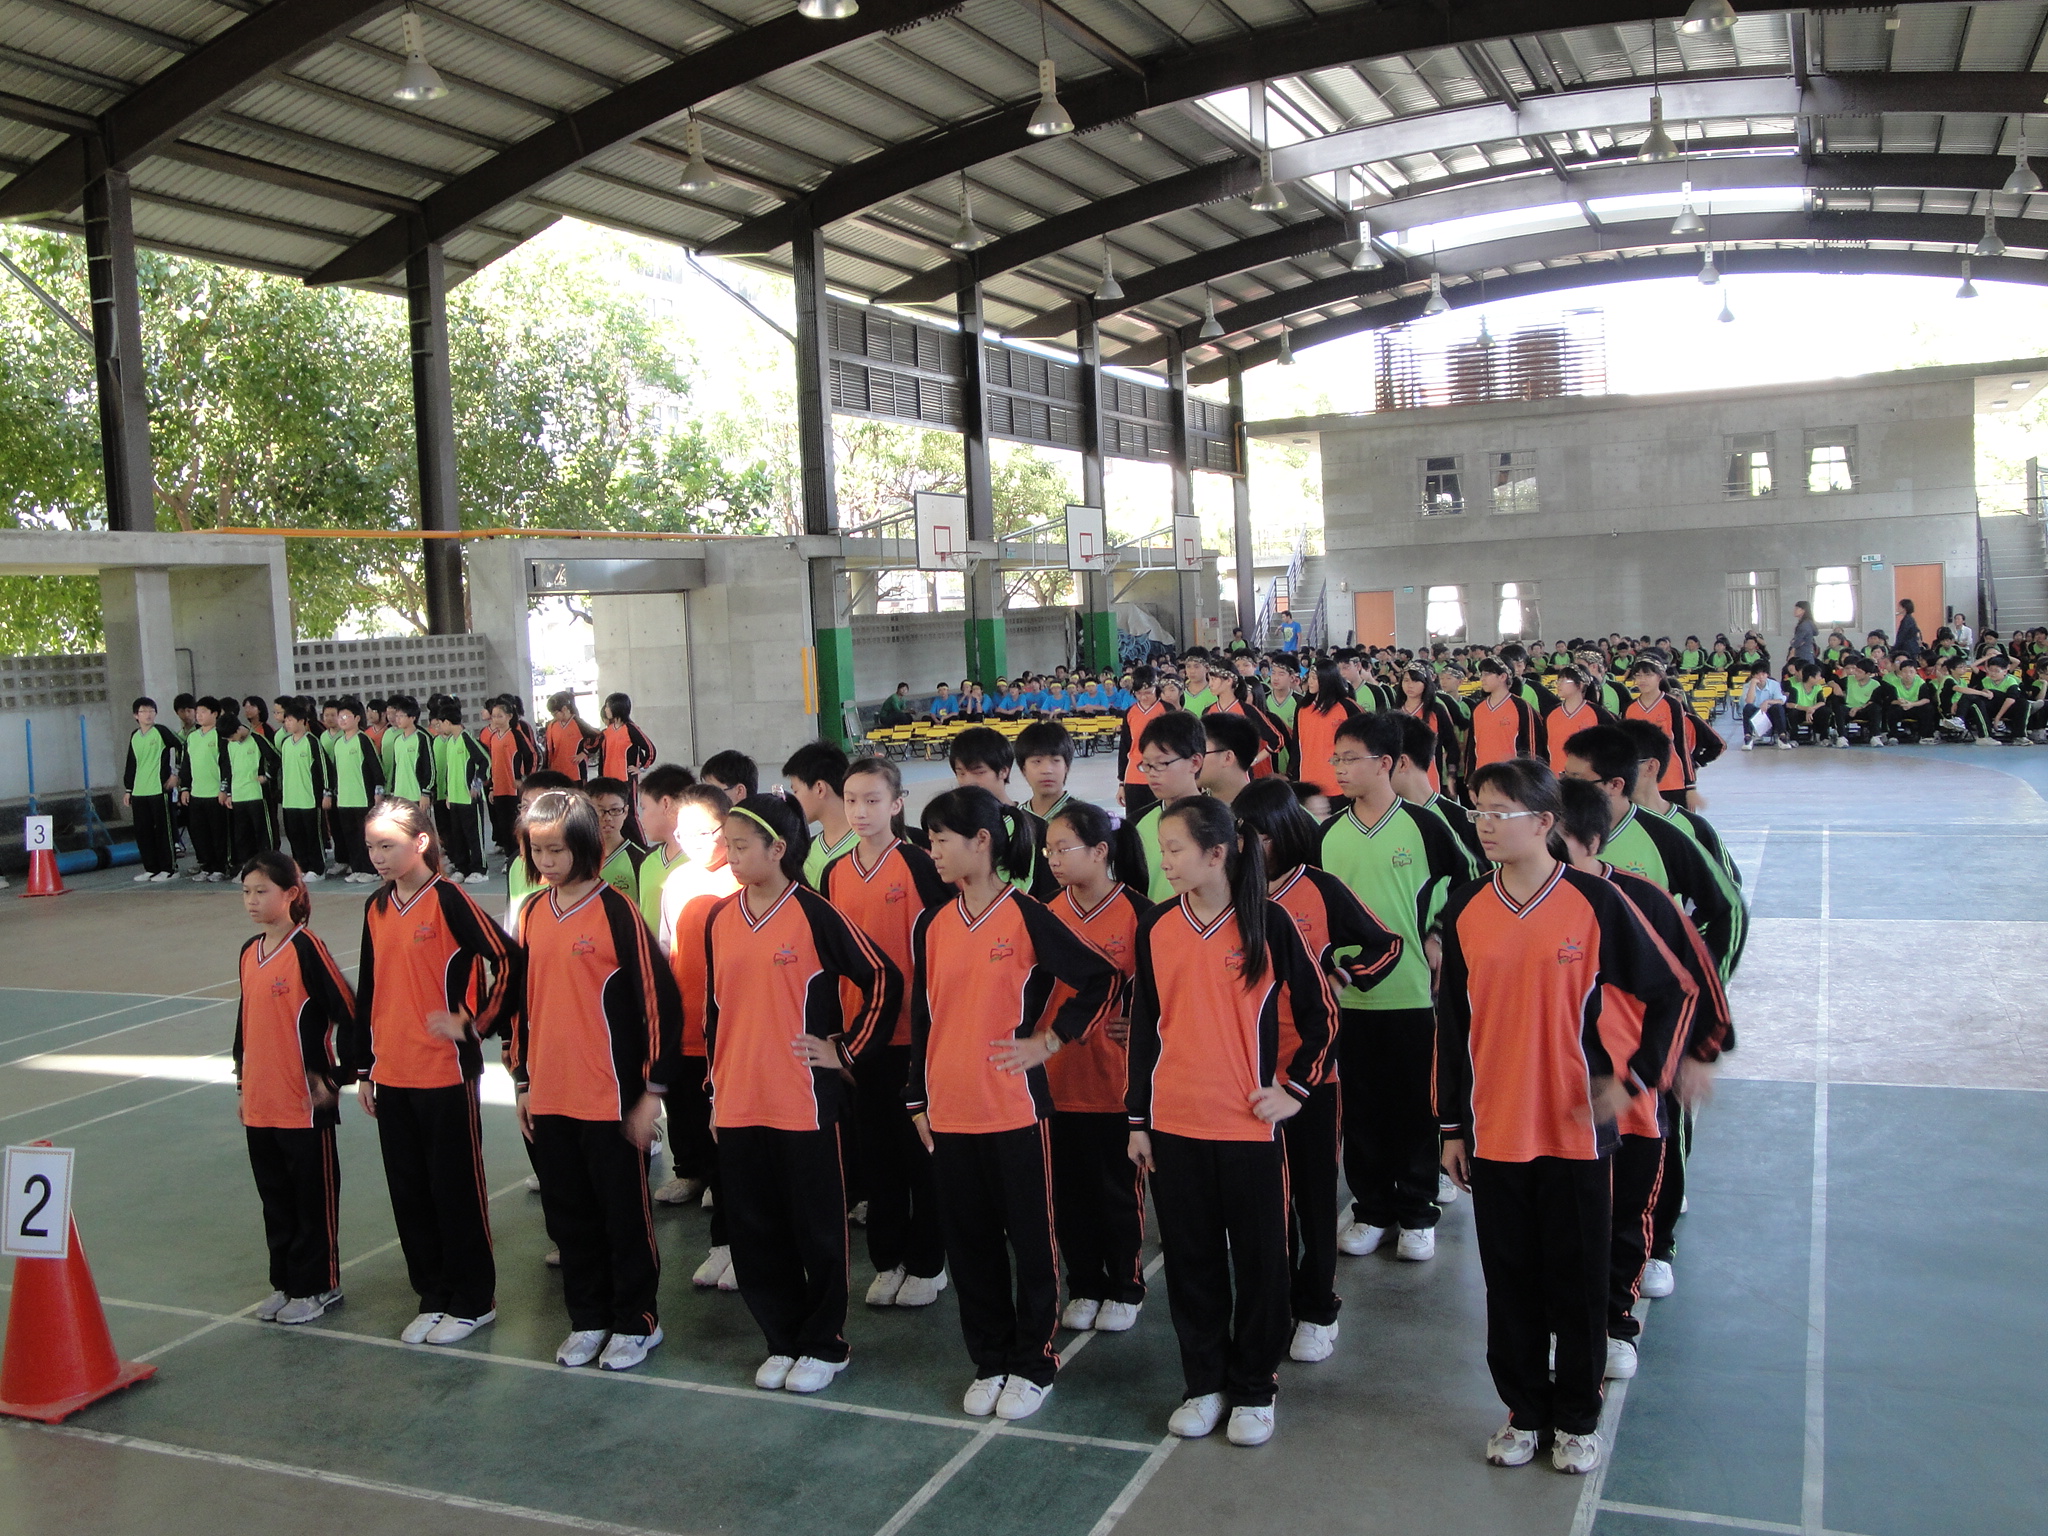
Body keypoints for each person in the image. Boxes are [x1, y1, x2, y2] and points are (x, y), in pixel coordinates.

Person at [1436, 759, 1692, 1475]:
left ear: (1545, 822)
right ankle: (1524, 1412)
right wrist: (1451, 1127)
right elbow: (1452, 1025)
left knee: (1578, 1283)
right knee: (1509, 1281)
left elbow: (1672, 991)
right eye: (1478, 811)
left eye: (1500, 812)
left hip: (1577, 1133)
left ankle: (1578, 1418)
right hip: (1495, 1130)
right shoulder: (1465, 906)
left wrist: (1635, 1078)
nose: (1484, 825)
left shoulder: (1596, 902)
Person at [1125, 795, 1334, 1448]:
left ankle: (1254, 1387)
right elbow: (1145, 1030)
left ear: (1217, 853)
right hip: (1174, 1126)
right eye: (1162, 850)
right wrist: (1138, 1119)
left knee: (1262, 1262)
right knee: (1191, 1263)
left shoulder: (1267, 922)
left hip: (1248, 1130)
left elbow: (1323, 1017)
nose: (1164, 862)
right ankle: (1204, 1383)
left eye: (1175, 849)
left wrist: (1294, 1090)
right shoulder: (1157, 926)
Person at [906, 787, 1118, 1423]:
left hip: (1015, 1111)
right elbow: (924, 1018)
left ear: (982, 841)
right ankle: (990, 1359)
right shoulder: (932, 923)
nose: (933, 851)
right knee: (969, 1245)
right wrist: (917, 1098)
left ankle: (1033, 1363)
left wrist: (1049, 1041)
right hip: (948, 1112)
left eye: (942, 839)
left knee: (1031, 1242)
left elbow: (1100, 977)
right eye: (929, 839)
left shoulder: (1026, 914)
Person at [704, 794, 897, 1395]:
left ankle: (823, 1343)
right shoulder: (720, 918)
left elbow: (882, 977)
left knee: (817, 1229)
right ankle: (782, 1338)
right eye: (728, 845)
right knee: (755, 1228)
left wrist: (846, 1051)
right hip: (740, 1099)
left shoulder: (814, 914)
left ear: (778, 849)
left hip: (804, 1102)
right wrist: (715, 1092)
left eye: (741, 846)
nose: (731, 857)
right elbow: (716, 1013)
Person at [1554, 780, 1730, 1381]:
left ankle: (1614, 1324)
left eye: (1558, 842)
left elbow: (1698, 982)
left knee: (1624, 1216)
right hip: (1552, 1096)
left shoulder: (1642, 901)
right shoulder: (1519, 902)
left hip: (1628, 1096)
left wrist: (1700, 1051)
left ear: (1591, 841)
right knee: (1563, 1223)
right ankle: (1568, 1324)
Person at [505, 790, 680, 1372]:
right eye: (538, 851)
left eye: (557, 849)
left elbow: (659, 1005)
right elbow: (520, 1004)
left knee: (623, 1217)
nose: (547, 861)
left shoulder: (616, 911)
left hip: (610, 1098)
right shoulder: (530, 913)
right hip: (551, 1096)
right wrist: (523, 1082)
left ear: (585, 845)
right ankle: (588, 1318)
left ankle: (637, 1321)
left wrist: (651, 1093)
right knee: (569, 1216)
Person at [1232, 779, 1401, 1367]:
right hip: (1244, 1078)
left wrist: (1346, 973)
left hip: (1310, 1075)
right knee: (1262, 1205)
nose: (1247, 847)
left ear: (1282, 834)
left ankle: (1318, 1308)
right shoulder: (1228, 895)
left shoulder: (1321, 890)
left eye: (1257, 836)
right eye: (1240, 836)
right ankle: (1274, 1305)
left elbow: (1386, 944)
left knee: (1313, 1197)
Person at [342, 795, 516, 1347]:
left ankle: (473, 1300)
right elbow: (369, 991)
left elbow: (510, 959)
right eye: (371, 846)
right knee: (410, 1193)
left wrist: (477, 1023)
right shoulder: (375, 907)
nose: (377, 856)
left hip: (444, 1074)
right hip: (392, 1074)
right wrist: (364, 1068)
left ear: (420, 842)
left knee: (454, 1190)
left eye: (387, 845)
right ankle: (434, 1294)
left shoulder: (449, 899)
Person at [1319, 712, 1468, 1259]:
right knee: (1360, 1108)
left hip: (1412, 994)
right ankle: (1372, 1209)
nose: (1339, 769)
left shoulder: (1426, 827)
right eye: (1335, 758)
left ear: (1385, 763)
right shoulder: (1326, 834)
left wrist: (1437, 934)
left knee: (1414, 1107)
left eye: (1349, 758)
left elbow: (1465, 887)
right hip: (1347, 997)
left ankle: (1417, 1212)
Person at [822, 758, 952, 1309]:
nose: (860, 811)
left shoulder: (920, 864)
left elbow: (947, 944)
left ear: (897, 805)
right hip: (861, 1037)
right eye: (851, 800)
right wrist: (839, 1035)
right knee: (877, 1155)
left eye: (873, 800)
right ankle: (889, 1258)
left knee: (922, 1153)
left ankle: (928, 1262)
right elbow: (830, 961)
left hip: (916, 1036)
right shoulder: (834, 873)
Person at [1041, 799, 1150, 1336]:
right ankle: (1084, 1283)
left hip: (1115, 1083)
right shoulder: (1043, 914)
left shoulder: (1141, 914)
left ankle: (1126, 1285)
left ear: (1101, 851)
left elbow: (1165, 993)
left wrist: (1145, 1024)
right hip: (1056, 1079)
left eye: (1065, 849)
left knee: (1117, 1192)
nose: (1054, 859)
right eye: (1049, 850)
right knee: (1068, 1193)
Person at [235, 849, 356, 1326]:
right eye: (246, 892)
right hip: (260, 1101)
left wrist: (338, 1077)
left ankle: (319, 1285)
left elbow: (350, 1011)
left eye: (261, 891)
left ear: (290, 894)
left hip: (303, 1105)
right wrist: (242, 1083)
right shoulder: (249, 951)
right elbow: (244, 1023)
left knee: (312, 1201)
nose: (252, 900)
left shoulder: (307, 948)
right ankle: (286, 1282)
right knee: (276, 1199)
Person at [651, 785, 741, 1262]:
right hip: (686, 1023)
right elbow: (667, 950)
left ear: (728, 827)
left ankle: (728, 1201)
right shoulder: (678, 881)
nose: (695, 843)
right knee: (687, 1107)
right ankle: (695, 1174)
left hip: (730, 1031)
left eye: (707, 833)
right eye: (685, 834)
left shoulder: (742, 879)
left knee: (724, 1121)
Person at [949, 726, 1056, 899]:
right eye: (961, 773)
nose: (967, 782)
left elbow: (1048, 892)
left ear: (1004, 771)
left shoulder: (1037, 828)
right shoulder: (953, 827)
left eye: (979, 772)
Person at [1120, 711, 1206, 901]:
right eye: (1147, 765)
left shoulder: (1222, 821)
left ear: (1195, 762)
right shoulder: (1136, 825)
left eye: (1161, 764)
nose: (1152, 774)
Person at [428, 701, 492, 883]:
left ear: (448, 722)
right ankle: (462, 868)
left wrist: (476, 784)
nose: (439, 727)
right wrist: (448, 794)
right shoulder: (450, 742)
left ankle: (480, 869)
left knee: (474, 835)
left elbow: (485, 761)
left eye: (440, 723)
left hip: (469, 798)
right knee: (458, 836)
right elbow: (450, 770)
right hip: (455, 799)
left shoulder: (467, 739)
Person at [633, 762, 699, 932]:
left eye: (644, 808)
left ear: (665, 803)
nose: (641, 818)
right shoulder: (648, 859)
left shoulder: (702, 859)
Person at [123, 696, 184, 882]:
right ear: (136, 715)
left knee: (164, 831)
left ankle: (169, 868)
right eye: (144, 711)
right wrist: (129, 789)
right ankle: (151, 868)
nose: (148, 715)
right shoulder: (135, 736)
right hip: (140, 792)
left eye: (151, 711)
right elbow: (131, 763)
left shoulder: (161, 731)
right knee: (143, 832)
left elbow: (182, 745)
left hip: (159, 789)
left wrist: (176, 773)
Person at [783, 739, 858, 888]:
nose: (792, 800)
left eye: (795, 791)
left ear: (819, 789)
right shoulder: (807, 851)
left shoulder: (871, 845)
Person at [181, 697, 232, 882]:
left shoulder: (221, 736)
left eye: (203, 712)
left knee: (218, 833)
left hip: (215, 794)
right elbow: (186, 765)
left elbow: (226, 764)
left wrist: (224, 789)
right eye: (197, 712)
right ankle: (206, 866)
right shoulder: (192, 737)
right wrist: (185, 788)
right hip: (197, 794)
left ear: (215, 714)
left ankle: (220, 867)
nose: (199, 715)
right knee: (199, 833)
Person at [1293, 662, 1362, 799]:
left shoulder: (1347, 706)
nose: (1310, 682)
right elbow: (1296, 743)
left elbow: (1363, 740)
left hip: (1340, 781)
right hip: (1308, 779)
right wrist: (1294, 774)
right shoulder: (1302, 707)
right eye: (1309, 677)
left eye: (1314, 678)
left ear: (1327, 679)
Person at [1463, 659, 1541, 778]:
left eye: (1487, 674)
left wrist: (1530, 778)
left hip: (1513, 778)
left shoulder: (1521, 707)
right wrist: (1470, 778)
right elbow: (1471, 746)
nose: (1482, 679)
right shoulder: (1478, 708)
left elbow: (1532, 746)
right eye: (1481, 674)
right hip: (1482, 777)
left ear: (1503, 676)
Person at [596, 694, 657, 844]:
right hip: (609, 780)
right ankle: (623, 844)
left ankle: (642, 847)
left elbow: (650, 749)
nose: (606, 709)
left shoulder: (630, 728)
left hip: (626, 780)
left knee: (629, 815)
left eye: (608, 706)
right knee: (614, 814)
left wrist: (641, 767)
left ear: (617, 707)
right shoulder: (607, 731)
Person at [483, 697, 536, 860]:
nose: (496, 719)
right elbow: (492, 765)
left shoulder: (516, 735)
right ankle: (509, 857)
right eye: (494, 716)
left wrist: (525, 778)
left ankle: (520, 855)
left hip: (514, 789)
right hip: (499, 788)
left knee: (516, 823)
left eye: (500, 716)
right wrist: (491, 788)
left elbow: (532, 755)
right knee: (503, 824)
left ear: (509, 716)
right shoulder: (493, 738)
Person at [1114, 667, 1170, 816]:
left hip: (1161, 775)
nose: (1143, 697)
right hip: (1134, 777)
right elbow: (1125, 748)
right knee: (1135, 822)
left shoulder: (1167, 710)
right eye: (1139, 693)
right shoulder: (1130, 712)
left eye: (1148, 693)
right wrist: (1121, 783)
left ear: (1156, 688)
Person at [586, 777, 647, 899]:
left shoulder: (642, 859)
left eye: (615, 810)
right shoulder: (576, 857)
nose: (607, 818)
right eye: (599, 811)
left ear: (625, 812)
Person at [1016, 719, 1077, 827]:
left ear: (1066, 767)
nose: (1047, 770)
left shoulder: (1084, 818)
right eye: (1037, 761)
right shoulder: (1017, 821)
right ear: (1023, 769)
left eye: (1055, 760)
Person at [381, 696, 435, 810]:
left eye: (402, 716)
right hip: (399, 795)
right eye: (397, 716)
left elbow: (429, 767)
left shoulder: (422, 738)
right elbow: (396, 768)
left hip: (416, 795)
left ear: (412, 717)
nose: (398, 719)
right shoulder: (398, 740)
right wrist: (392, 791)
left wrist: (426, 792)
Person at [544, 691, 599, 781]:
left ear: (564, 709)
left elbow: (597, 736)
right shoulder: (551, 725)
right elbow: (549, 750)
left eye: (555, 714)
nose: (554, 717)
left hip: (577, 772)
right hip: (557, 771)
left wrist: (584, 753)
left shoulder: (578, 723)